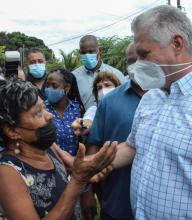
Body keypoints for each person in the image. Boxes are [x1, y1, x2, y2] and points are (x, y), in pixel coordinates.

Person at [108, 5, 192, 219]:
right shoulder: (152, 96)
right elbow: (132, 147)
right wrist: (96, 163)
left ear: (177, 44)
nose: (137, 65)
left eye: (144, 54)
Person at [0, 78, 117, 220]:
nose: (49, 115)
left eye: (44, 108)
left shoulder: (47, 146)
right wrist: (78, 181)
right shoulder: (6, 173)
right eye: (38, 113)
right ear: (12, 131)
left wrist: (92, 167)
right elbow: (77, 178)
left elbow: (74, 164)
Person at [81, 42, 140, 220]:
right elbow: (94, 145)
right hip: (116, 202)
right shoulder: (110, 102)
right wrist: (88, 191)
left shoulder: (165, 97)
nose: (138, 65)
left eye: (144, 58)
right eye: (132, 61)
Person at [72, 35, 126, 111]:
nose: (87, 55)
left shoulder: (116, 74)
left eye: (91, 51)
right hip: (85, 121)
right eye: (83, 52)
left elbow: (125, 100)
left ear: (100, 50)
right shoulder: (74, 77)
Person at [45, 68, 83, 156]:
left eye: (54, 86)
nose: (49, 89)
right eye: (47, 85)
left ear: (67, 88)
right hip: (51, 164)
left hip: (74, 164)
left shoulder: (77, 109)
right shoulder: (42, 109)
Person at [72, 71, 121, 136]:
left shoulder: (127, 106)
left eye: (107, 85)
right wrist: (83, 124)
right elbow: (88, 120)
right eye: (99, 88)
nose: (103, 90)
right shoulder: (94, 110)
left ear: (117, 87)